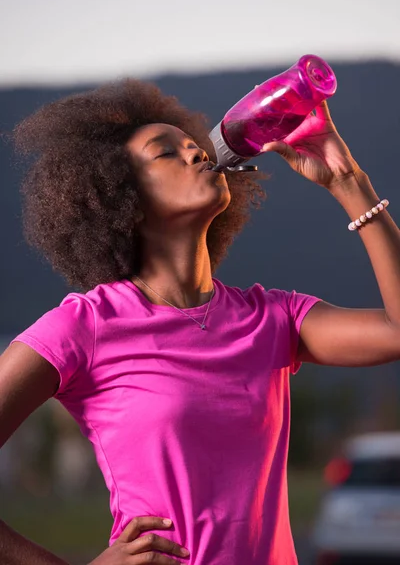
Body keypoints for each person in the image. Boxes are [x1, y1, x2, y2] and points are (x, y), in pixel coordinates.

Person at [1, 78, 399, 565]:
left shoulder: (273, 317)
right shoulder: (84, 327)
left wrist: (348, 182)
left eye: (195, 147)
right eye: (165, 153)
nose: (197, 155)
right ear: (120, 197)